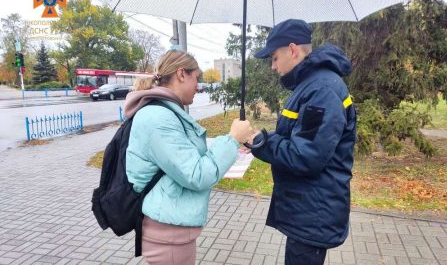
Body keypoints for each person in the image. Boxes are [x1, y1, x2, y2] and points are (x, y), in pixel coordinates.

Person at [123, 50, 253, 265]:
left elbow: (180, 155)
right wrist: (231, 139)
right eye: (196, 78)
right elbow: (196, 174)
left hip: (171, 228)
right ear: (181, 74)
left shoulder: (165, 111)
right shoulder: (158, 117)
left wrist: (227, 142)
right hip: (168, 234)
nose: (198, 85)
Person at [250, 19, 357, 265]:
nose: (273, 67)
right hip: (308, 210)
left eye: (274, 58)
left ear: (293, 50)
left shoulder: (321, 90)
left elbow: (305, 157)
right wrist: (261, 139)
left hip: (313, 214)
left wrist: (257, 141)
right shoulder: (311, 85)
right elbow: (296, 139)